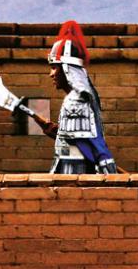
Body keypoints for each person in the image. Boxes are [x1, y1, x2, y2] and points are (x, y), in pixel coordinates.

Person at [41, 20, 118, 174]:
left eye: (54, 67)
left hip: (75, 173)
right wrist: (59, 133)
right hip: (67, 170)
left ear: (67, 69)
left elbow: (92, 144)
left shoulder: (76, 100)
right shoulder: (77, 98)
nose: (51, 74)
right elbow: (78, 141)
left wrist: (109, 173)